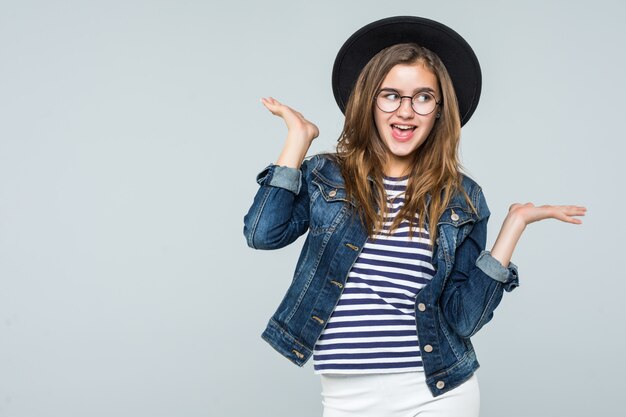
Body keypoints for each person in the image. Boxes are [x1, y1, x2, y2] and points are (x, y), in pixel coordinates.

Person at [243, 16, 586, 417]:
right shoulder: (327, 176)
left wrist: (514, 227)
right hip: (346, 396)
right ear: (369, 101)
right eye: (390, 95)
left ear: (439, 111)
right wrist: (297, 141)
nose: (406, 111)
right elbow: (262, 234)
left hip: (438, 388)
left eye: (423, 97)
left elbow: (463, 319)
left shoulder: (462, 198)